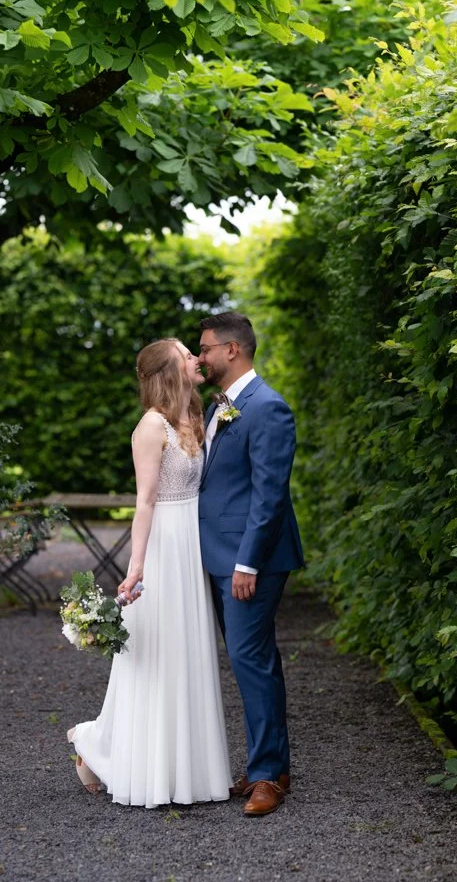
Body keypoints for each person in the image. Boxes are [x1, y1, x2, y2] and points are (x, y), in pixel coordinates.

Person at [66, 338, 232, 808]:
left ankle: (189, 771)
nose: (196, 360)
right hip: (162, 548)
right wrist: (136, 565)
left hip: (192, 547)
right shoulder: (150, 427)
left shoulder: (197, 417)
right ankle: (105, 747)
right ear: (168, 370)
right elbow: (145, 501)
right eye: (186, 355)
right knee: (156, 655)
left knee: (188, 652)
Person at [198, 311, 304, 817]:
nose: (201, 358)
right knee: (253, 661)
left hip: (248, 560)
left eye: (206, 349)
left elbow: (269, 496)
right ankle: (272, 765)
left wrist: (247, 564)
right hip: (220, 555)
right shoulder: (220, 406)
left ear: (232, 350)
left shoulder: (268, 408)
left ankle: (268, 776)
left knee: (250, 661)